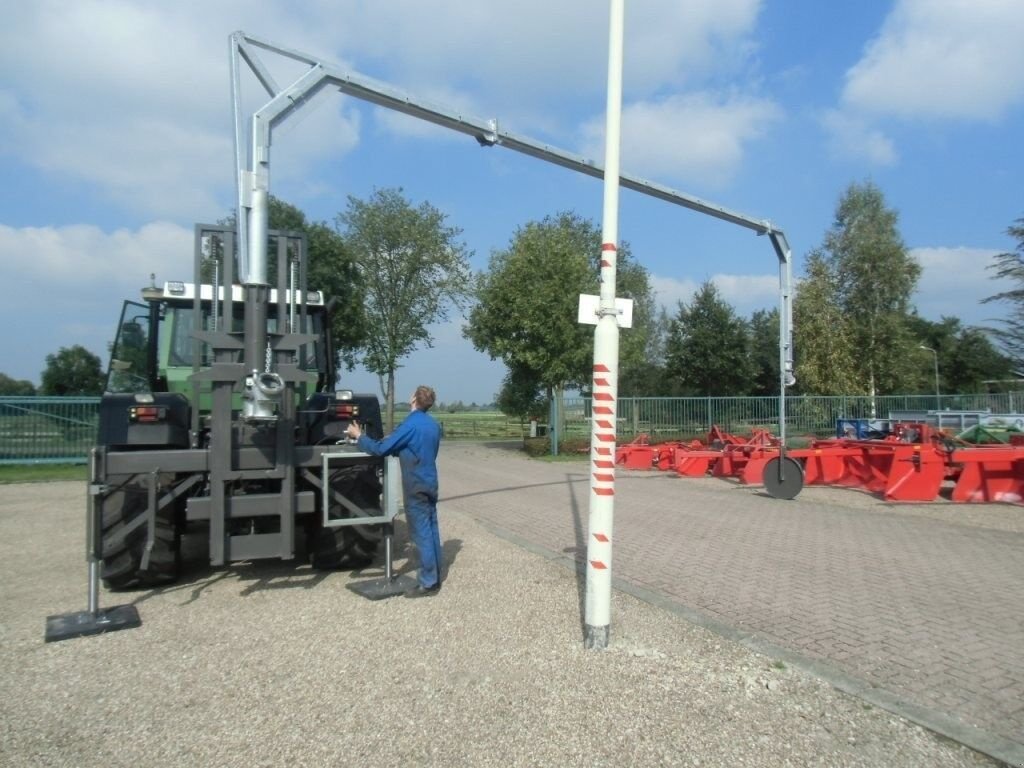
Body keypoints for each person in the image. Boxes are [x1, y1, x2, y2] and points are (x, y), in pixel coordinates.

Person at [346, 385, 443, 598]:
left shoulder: (410, 424)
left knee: (420, 532)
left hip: (415, 483)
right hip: (430, 481)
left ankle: (428, 583)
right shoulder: (434, 425)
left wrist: (359, 436)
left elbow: (381, 450)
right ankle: (435, 575)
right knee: (432, 528)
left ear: (413, 399)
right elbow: (417, 448)